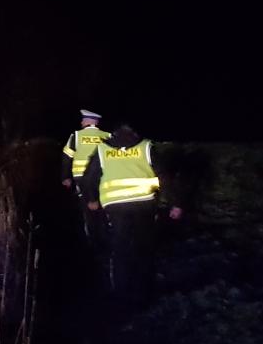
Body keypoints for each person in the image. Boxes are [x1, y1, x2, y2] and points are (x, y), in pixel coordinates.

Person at [80, 124, 182, 307]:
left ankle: (120, 292)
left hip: (115, 205)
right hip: (144, 204)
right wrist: (175, 203)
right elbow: (164, 176)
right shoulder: (146, 147)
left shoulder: (103, 149)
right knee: (144, 246)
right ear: (134, 132)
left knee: (120, 248)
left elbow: (89, 178)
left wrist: (92, 200)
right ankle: (146, 290)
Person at [62, 109, 111, 245]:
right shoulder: (107, 136)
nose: (81, 122)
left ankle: (91, 240)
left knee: (86, 209)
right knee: (103, 206)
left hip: (81, 179)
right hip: (104, 178)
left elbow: (67, 158)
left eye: (83, 120)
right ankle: (106, 235)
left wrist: (65, 177)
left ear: (90, 121)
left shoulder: (76, 136)